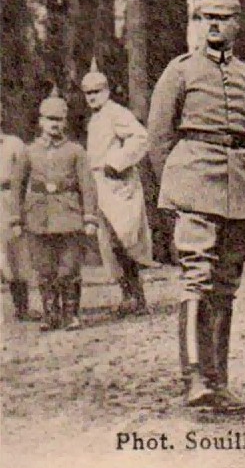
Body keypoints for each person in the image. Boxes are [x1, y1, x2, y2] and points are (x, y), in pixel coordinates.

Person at [147, 0, 245, 413]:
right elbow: (158, 138)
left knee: (227, 283)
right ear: (199, 23)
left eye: (223, 17)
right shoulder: (179, 71)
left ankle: (221, 382)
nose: (214, 25)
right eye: (207, 17)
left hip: (239, 184)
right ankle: (195, 378)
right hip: (195, 180)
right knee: (197, 275)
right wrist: (177, 187)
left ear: (237, 24)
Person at [81, 62, 155, 317]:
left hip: (118, 184)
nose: (92, 97)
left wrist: (118, 161)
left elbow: (141, 137)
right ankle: (127, 296)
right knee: (109, 243)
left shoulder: (117, 113)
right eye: (88, 93)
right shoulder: (95, 119)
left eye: (97, 92)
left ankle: (138, 297)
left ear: (107, 91)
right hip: (99, 186)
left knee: (125, 240)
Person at [22, 90, 98, 331]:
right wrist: (16, 218)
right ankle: (50, 314)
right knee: (44, 269)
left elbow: (87, 185)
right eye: (49, 119)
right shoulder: (29, 151)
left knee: (69, 268)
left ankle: (71, 314)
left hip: (69, 215)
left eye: (59, 119)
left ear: (65, 122)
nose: (54, 125)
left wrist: (90, 217)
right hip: (39, 216)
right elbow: (17, 186)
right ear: (41, 121)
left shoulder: (76, 151)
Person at [1, 98, 32, 321]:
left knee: (15, 252)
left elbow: (26, 176)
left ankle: (22, 307)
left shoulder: (13, 144)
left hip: (8, 198)